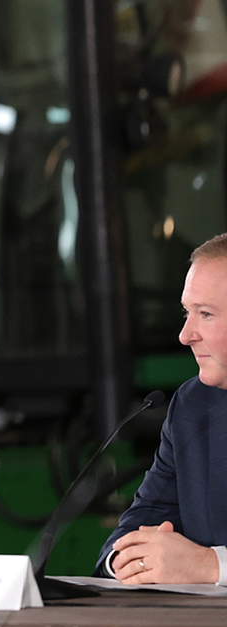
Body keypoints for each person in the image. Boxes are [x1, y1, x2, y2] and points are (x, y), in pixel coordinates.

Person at [97, 232, 227, 584]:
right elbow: (138, 527)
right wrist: (135, 562)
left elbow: (201, 563)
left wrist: (211, 567)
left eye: (205, 314)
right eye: (187, 312)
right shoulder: (191, 406)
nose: (186, 335)